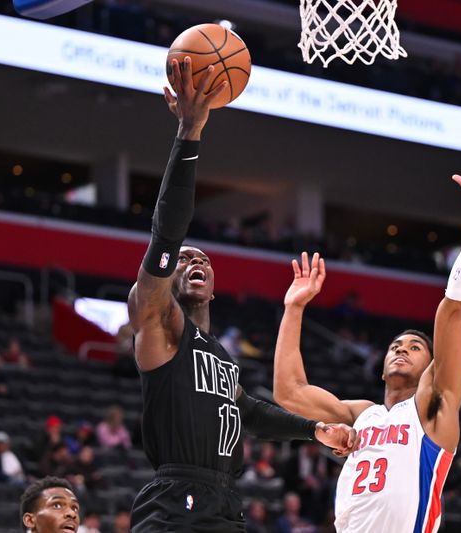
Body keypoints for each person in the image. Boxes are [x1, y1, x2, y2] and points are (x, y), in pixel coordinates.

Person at [126, 56, 357, 532]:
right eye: (186, 259)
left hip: (225, 501)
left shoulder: (220, 354)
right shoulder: (160, 323)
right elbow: (167, 231)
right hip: (176, 499)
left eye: (205, 261)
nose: (198, 263)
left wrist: (312, 430)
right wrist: (189, 133)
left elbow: (247, 410)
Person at [273, 147, 461, 532]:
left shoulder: (433, 407)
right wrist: (293, 309)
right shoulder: (362, 415)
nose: (401, 350)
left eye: (414, 347)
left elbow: (454, 309)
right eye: (396, 346)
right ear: (380, 368)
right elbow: (290, 392)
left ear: (431, 366)